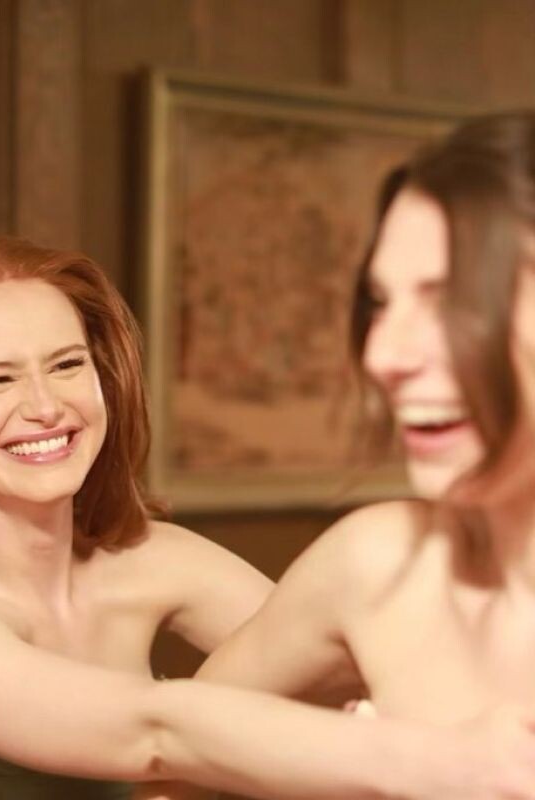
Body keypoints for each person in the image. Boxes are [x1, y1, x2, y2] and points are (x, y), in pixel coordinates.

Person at [0, 235, 535, 800]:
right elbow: (154, 735)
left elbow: (343, 660)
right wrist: (440, 759)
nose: (44, 405)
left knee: (375, 557)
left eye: (67, 365)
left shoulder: (154, 559)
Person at [146, 110, 535, 800]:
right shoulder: (378, 565)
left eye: (452, 302)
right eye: (380, 303)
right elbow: (169, 769)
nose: (383, 354)